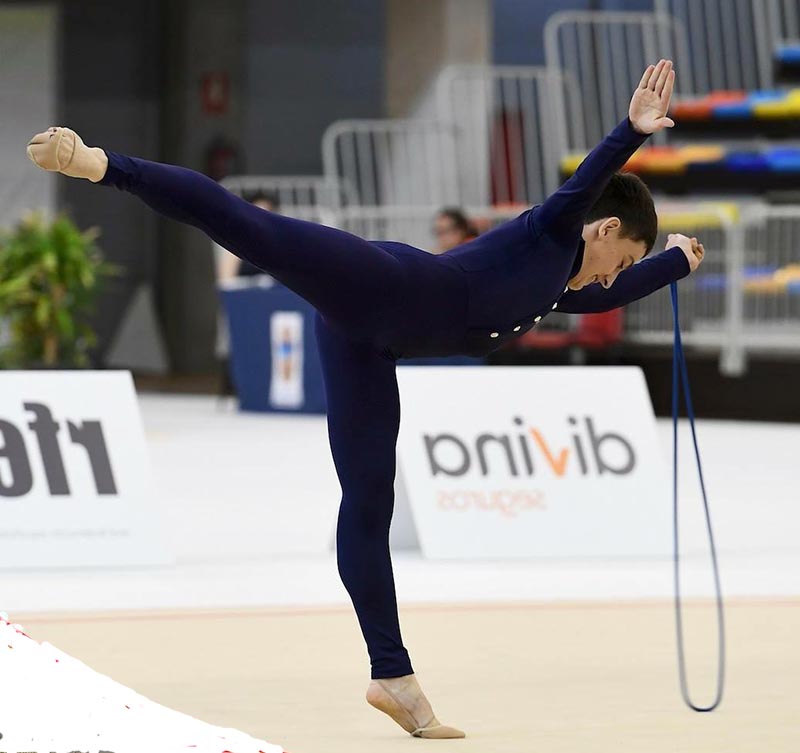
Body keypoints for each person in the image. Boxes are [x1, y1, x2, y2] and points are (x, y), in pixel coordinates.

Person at [27, 59, 704, 739]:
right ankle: (100, 163)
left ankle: (392, 674)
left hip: (368, 347)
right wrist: (630, 131)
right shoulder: (553, 231)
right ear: (605, 230)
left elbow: (608, 293)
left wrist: (674, 261)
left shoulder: (559, 284)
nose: (609, 278)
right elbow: (584, 184)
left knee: (368, 498)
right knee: (246, 226)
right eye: (619, 259)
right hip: (379, 284)